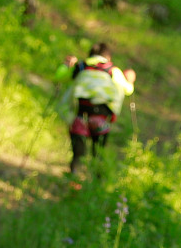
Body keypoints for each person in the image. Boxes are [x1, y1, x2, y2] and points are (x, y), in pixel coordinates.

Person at [56, 42, 136, 174]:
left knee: (77, 156)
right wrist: (130, 80)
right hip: (101, 118)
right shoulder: (112, 70)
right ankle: (96, 184)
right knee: (98, 155)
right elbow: (127, 90)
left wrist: (66, 65)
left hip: (79, 116)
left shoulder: (80, 66)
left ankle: (74, 179)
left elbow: (60, 77)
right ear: (108, 57)